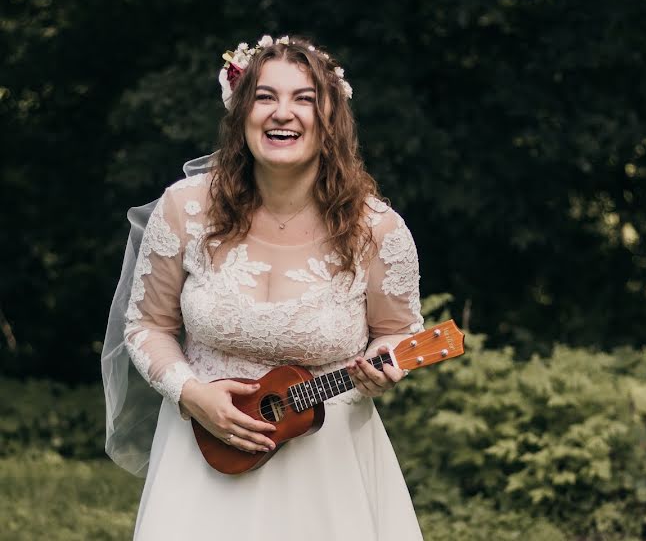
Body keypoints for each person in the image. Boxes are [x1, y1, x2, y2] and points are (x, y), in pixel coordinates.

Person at [101, 34, 425, 540]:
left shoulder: (377, 231)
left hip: (326, 466)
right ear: (241, 113)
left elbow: (398, 333)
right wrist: (191, 395)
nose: (282, 113)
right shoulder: (185, 209)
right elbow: (147, 324)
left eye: (304, 98)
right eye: (265, 96)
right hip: (202, 453)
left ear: (330, 119)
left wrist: (386, 364)